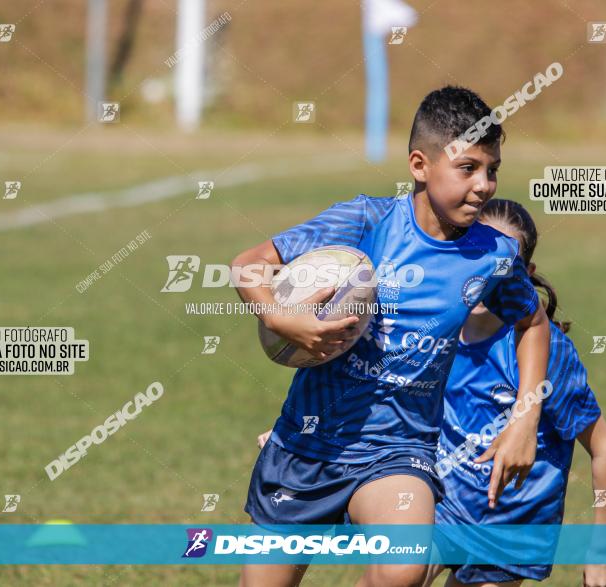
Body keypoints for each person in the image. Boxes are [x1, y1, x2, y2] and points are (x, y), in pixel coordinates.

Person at [232, 86, 551, 587]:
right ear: (419, 165)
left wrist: (525, 418)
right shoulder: (365, 221)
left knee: (402, 568)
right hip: (308, 445)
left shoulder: (495, 254)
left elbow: (532, 322)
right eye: (467, 168)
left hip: (399, 448)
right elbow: (249, 265)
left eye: (493, 170)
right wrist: (279, 318)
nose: (484, 184)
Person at [426, 199, 606, 587]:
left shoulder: (548, 355)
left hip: (513, 525)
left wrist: (602, 550)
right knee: (395, 575)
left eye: (504, 266)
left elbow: (605, 448)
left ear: (525, 275)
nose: (489, 277)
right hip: (445, 505)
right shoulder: (438, 328)